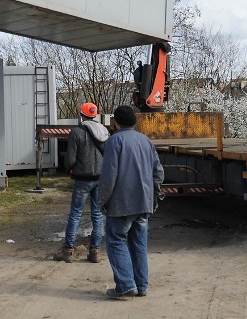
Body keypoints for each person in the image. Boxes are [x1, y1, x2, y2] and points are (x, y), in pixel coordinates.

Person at [97, 105, 164, 299]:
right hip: (144, 202)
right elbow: (158, 172)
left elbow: (109, 176)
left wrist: (102, 200)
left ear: (116, 122)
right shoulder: (146, 141)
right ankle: (141, 285)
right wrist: (155, 196)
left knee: (116, 240)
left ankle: (125, 285)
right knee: (139, 244)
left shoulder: (114, 141)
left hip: (122, 204)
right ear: (134, 122)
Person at [54, 102, 109, 264]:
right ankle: (95, 252)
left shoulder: (76, 132)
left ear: (81, 115)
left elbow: (70, 158)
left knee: (76, 213)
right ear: (95, 114)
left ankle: (69, 251)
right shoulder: (104, 131)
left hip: (82, 179)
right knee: (98, 215)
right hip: (100, 178)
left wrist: (70, 169)